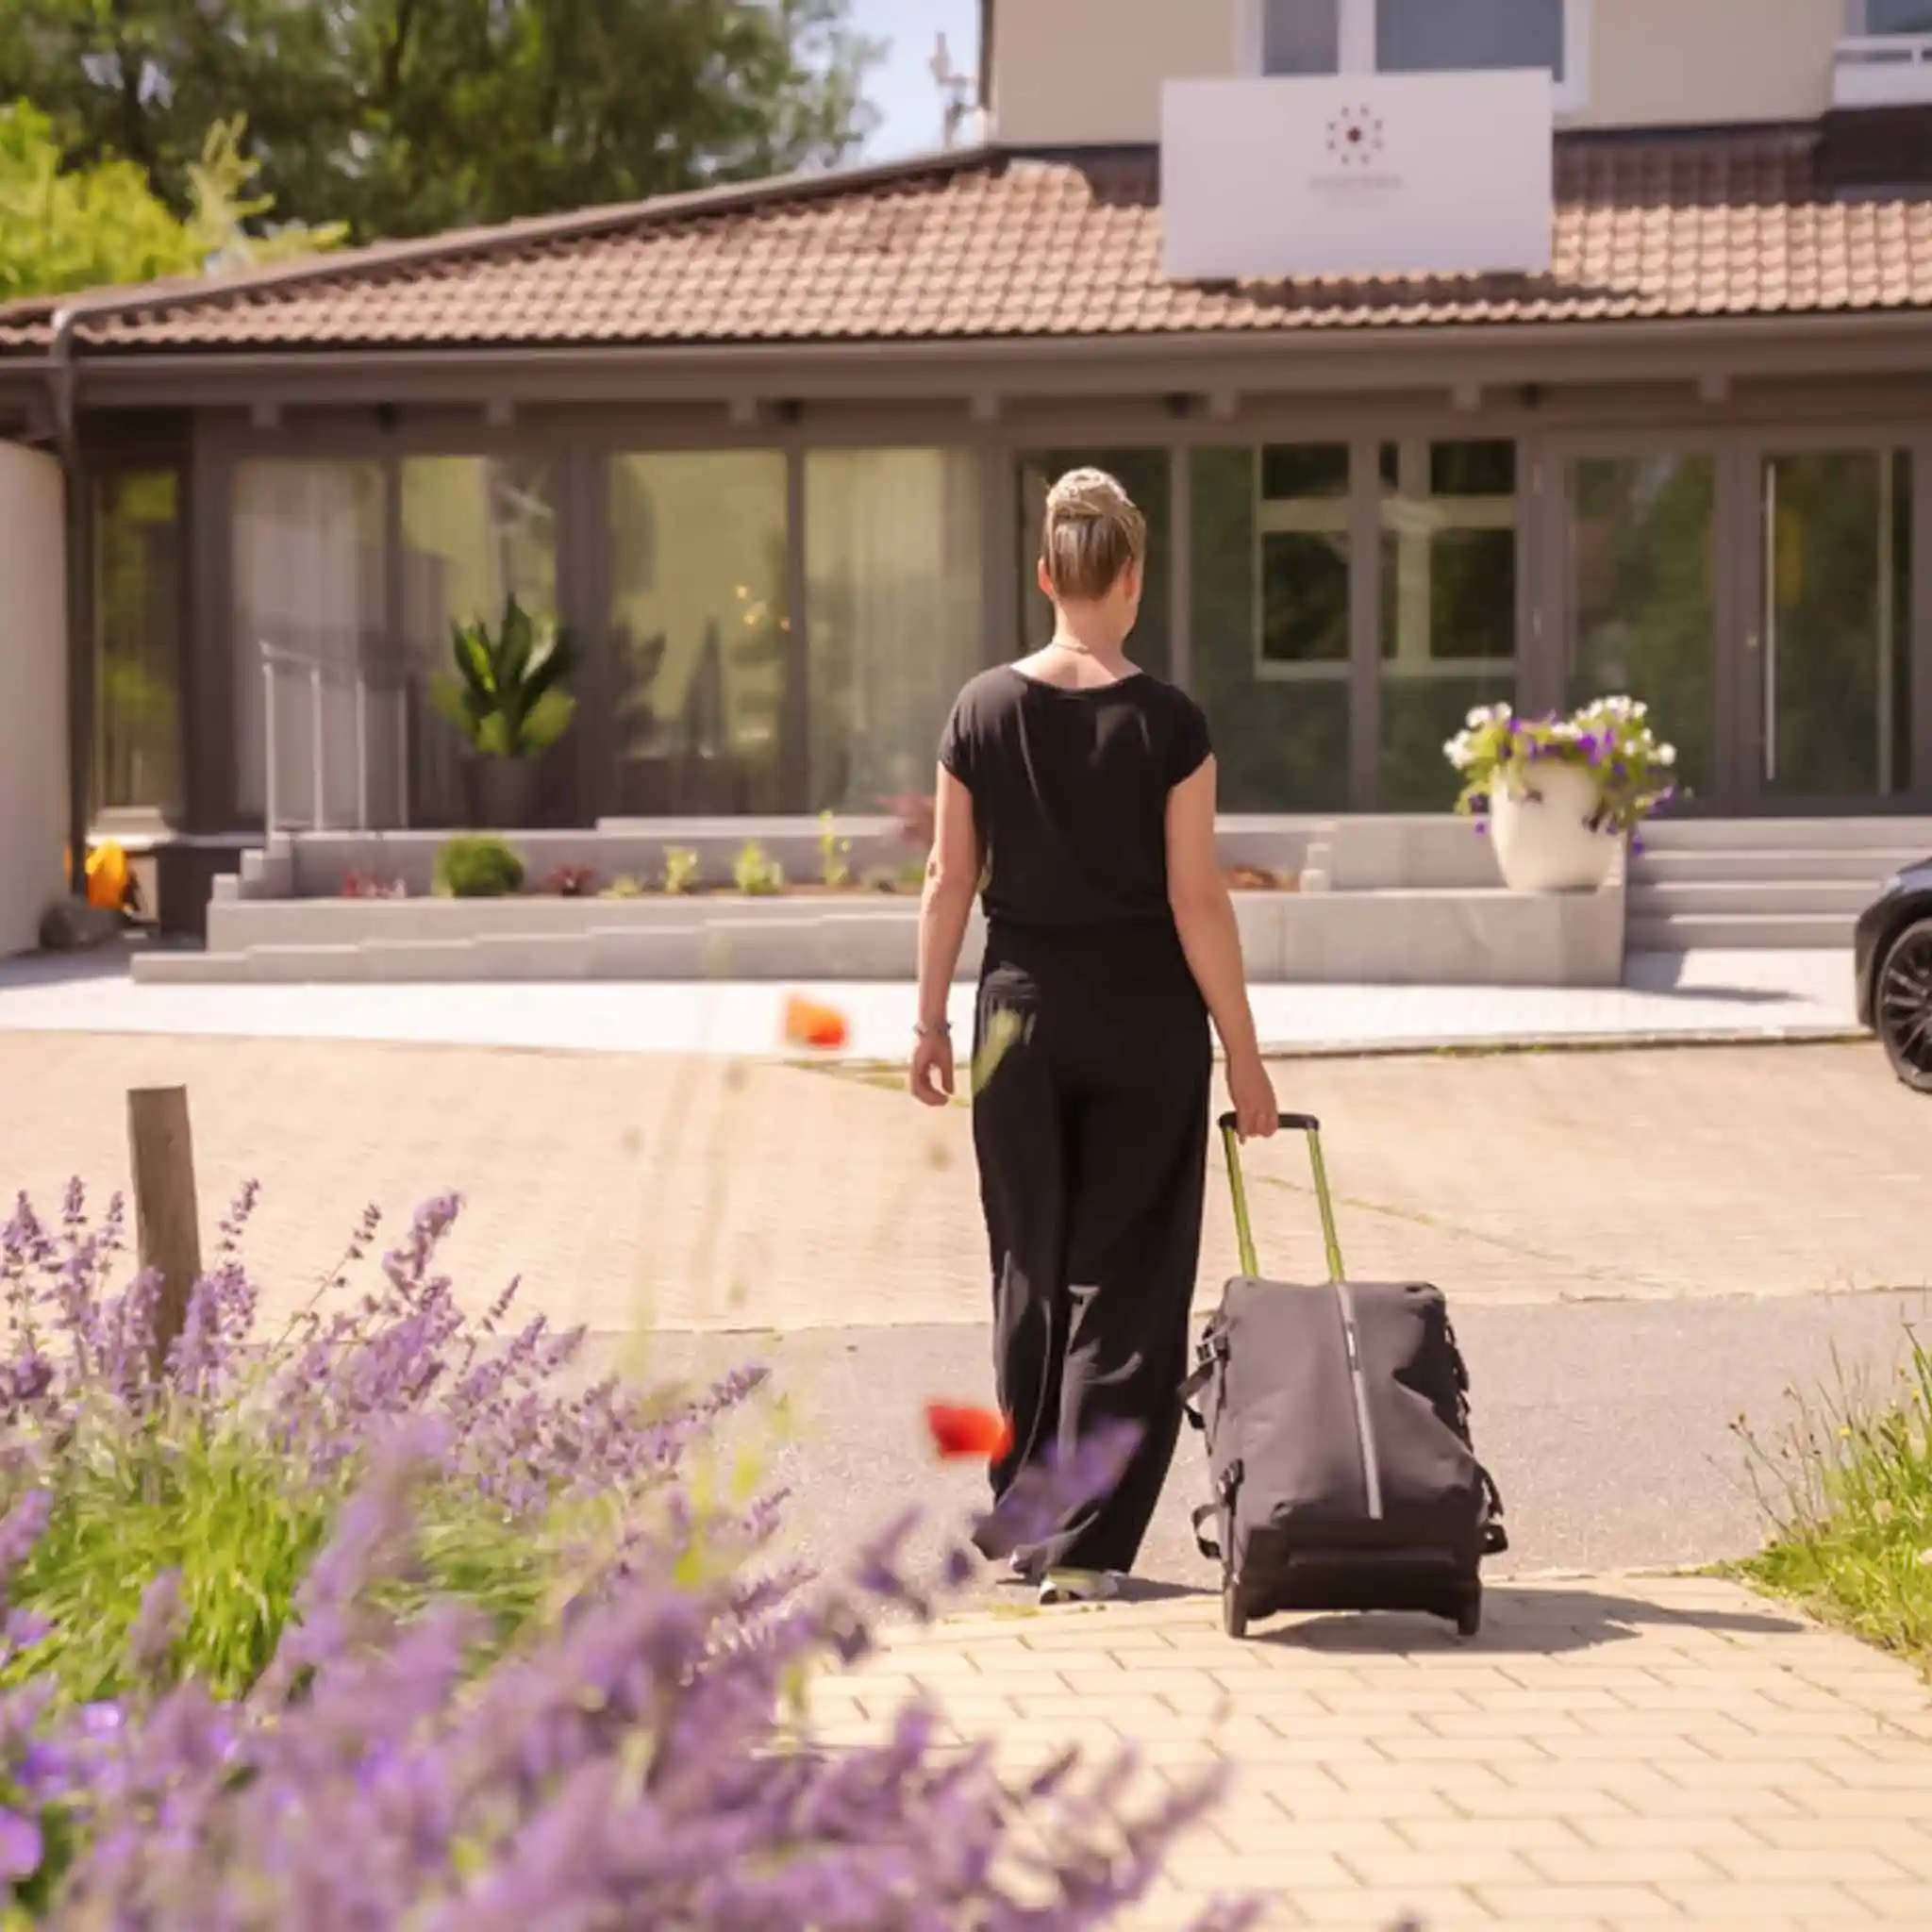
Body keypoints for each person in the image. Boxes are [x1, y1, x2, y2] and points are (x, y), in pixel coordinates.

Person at [909, 467, 1279, 1607]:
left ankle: (1027, 1505)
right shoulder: (1167, 721)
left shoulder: (979, 708)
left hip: (1013, 1013)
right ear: (1129, 577)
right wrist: (1246, 1054)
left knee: (1028, 1260)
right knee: (1125, 1277)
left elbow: (945, 878)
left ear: (1044, 576)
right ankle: (1081, 1540)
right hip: (1142, 1018)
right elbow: (1195, 898)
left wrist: (925, 1017)